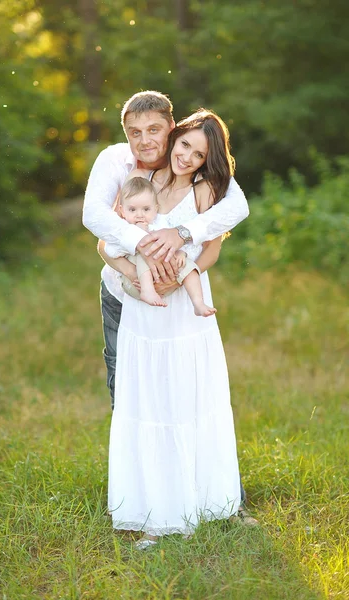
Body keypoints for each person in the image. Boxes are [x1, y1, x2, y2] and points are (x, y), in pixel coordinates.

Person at [83, 91, 257, 525]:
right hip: (125, 297)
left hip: (180, 304)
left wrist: (182, 248)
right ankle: (145, 495)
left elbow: (233, 211)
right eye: (135, 132)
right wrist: (136, 270)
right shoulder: (120, 167)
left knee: (193, 396)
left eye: (155, 130)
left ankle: (217, 498)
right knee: (132, 394)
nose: (146, 140)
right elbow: (97, 222)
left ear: (171, 127)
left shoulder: (202, 179)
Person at [109, 175, 216, 316]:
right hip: (136, 284)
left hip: (164, 278)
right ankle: (148, 291)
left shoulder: (156, 229)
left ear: (155, 209)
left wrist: (179, 253)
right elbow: (109, 250)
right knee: (145, 252)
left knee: (189, 267)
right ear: (122, 211)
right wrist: (136, 241)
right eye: (132, 210)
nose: (139, 215)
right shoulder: (123, 232)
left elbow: (167, 246)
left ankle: (198, 303)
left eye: (146, 209)